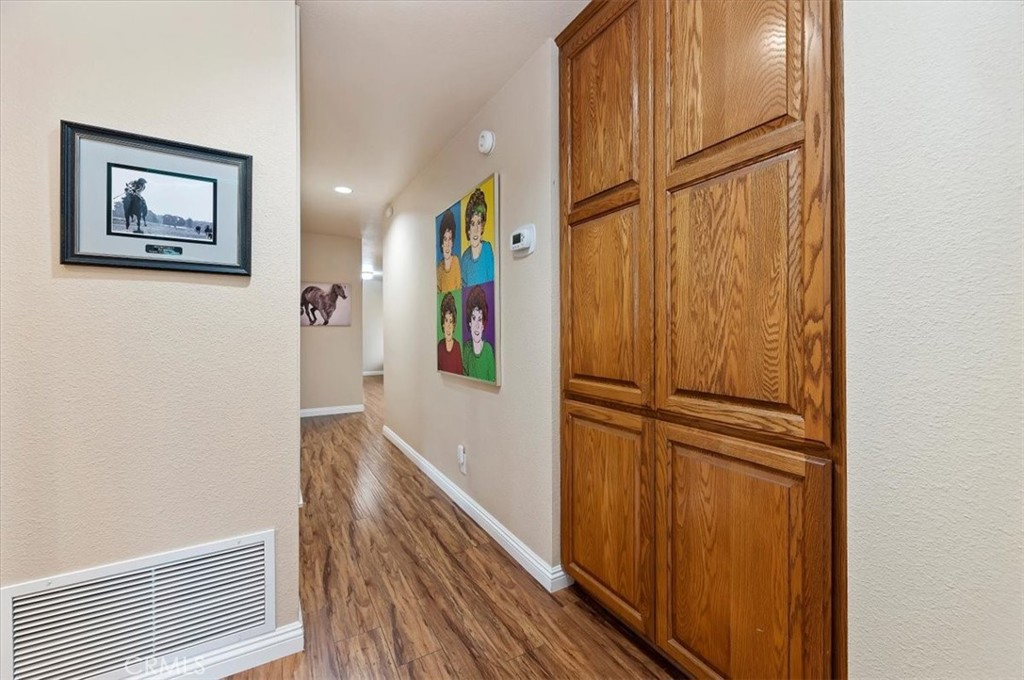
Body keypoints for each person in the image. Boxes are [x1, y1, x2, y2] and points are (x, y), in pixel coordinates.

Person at [460, 188, 494, 286]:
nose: (476, 230)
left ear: (482, 226)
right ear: (468, 228)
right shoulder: (465, 258)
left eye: (479, 223)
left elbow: (492, 284)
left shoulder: (487, 249)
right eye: (472, 223)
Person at [462, 285, 495, 382]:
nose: (476, 325)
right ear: (470, 322)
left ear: (483, 325)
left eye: (480, 319)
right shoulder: (465, 349)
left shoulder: (488, 350)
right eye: (474, 318)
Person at [437, 292, 464, 374]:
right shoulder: (439, 346)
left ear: (454, 325)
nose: (448, 326)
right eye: (446, 321)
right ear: (443, 324)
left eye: (451, 321)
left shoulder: (457, 347)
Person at [436, 209, 461, 292]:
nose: (447, 244)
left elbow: (459, 288)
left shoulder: (455, 262)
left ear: (452, 242)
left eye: (450, 239)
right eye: (445, 239)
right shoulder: (439, 268)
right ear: (442, 243)